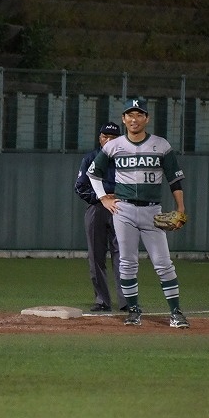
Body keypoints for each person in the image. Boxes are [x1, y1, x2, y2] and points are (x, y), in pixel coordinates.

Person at [86, 97, 189, 328]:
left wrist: (180, 208)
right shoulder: (114, 146)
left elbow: (174, 180)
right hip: (124, 210)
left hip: (153, 212)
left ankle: (176, 313)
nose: (134, 119)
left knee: (163, 263)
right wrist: (103, 198)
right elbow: (94, 173)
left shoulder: (161, 145)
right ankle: (133, 311)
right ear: (124, 119)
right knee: (127, 263)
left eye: (139, 114)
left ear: (146, 118)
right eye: (130, 115)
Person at [74, 122, 127, 313]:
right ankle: (102, 300)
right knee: (96, 255)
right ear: (100, 138)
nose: (108, 140)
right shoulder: (90, 158)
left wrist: (120, 196)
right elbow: (80, 187)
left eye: (113, 138)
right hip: (97, 208)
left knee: (123, 256)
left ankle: (126, 301)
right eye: (105, 137)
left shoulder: (126, 160)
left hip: (121, 208)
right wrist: (101, 197)